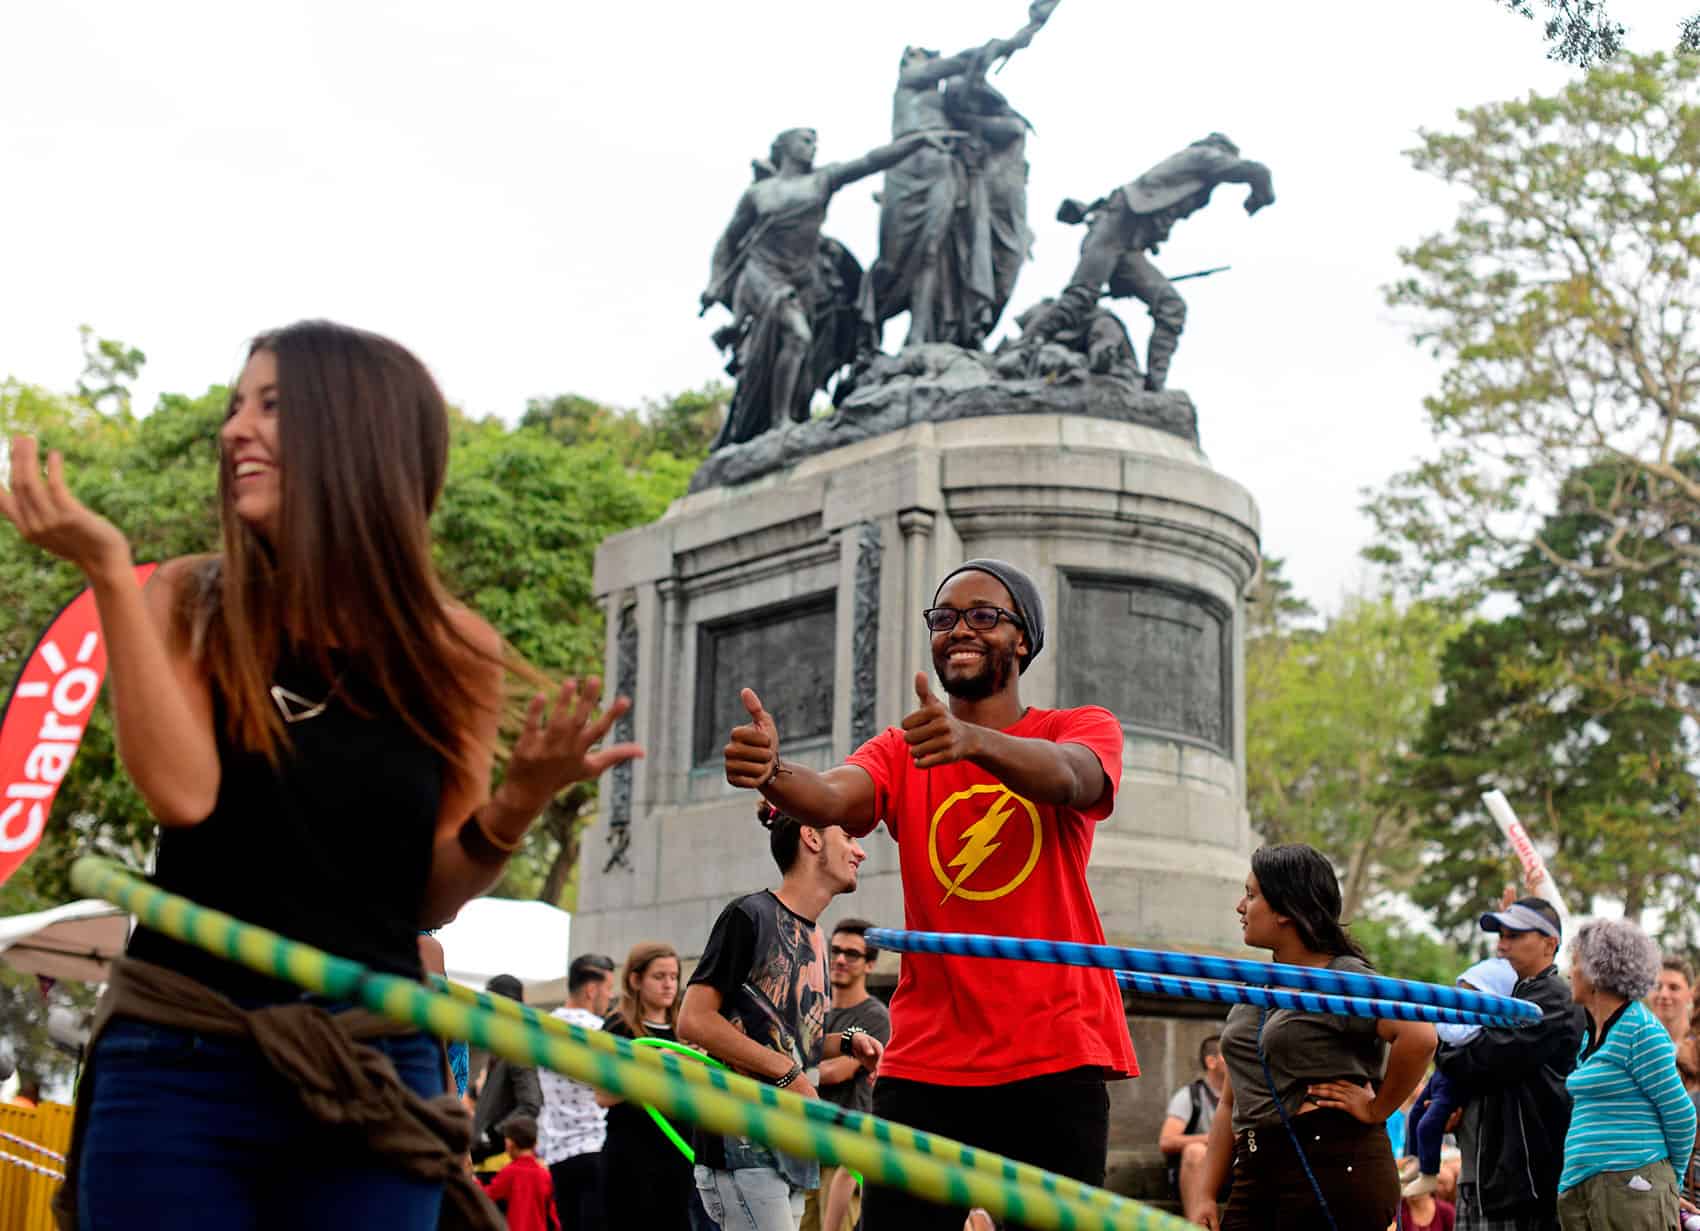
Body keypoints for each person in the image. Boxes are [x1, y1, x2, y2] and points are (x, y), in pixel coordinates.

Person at [0, 321, 641, 1231]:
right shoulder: (186, 598)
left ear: (356, 435)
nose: (234, 431)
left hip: (370, 1067)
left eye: (271, 406)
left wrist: (517, 801)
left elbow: (424, 898)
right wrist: (108, 570)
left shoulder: (455, 650)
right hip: (183, 1052)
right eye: (235, 407)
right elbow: (184, 797)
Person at [723, 557, 1138, 1231]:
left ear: (1023, 638)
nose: (957, 629)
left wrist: (972, 740)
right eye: (943, 618)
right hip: (930, 1060)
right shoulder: (903, 748)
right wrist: (773, 772)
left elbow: (1074, 780)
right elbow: (829, 795)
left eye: (982, 615)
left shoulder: (1076, 726)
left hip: (1052, 1048)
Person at [1193, 844, 1437, 1231]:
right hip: (1255, 1169)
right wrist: (1205, 1192)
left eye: (1252, 895)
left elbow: (1420, 1035)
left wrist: (1378, 1109)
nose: (1241, 906)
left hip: (1331, 1162)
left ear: (1287, 910)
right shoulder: (1257, 985)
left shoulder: (1342, 980)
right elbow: (1229, 1101)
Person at [679, 807, 881, 1231]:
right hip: (743, 1148)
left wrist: (848, 1042)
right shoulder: (748, 915)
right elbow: (694, 1020)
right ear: (810, 837)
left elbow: (794, 1039)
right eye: (848, 837)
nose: (860, 852)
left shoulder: (818, 937)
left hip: (793, 1153)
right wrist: (792, 1076)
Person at [702, 125, 961, 448]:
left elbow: (869, 161)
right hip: (761, 273)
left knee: (804, 354)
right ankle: (780, 422)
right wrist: (715, 281)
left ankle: (782, 414)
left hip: (801, 276)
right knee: (797, 335)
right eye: (805, 141)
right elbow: (728, 241)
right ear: (784, 148)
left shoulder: (822, 180)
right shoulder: (759, 193)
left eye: (815, 142)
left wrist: (917, 142)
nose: (813, 147)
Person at [1019, 133, 1274, 391]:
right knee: (1080, 298)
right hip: (1114, 229)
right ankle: (1021, 351)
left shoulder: (1197, 168)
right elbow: (1257, 172)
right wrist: (1262, 195)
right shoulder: (1204, 157)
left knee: (1171, 307)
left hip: (1129, 244)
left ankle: (1154, 387)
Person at [1436, 898, 1584, 1231]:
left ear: (1550, 943)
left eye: (1515, 935)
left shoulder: (1555, 1000)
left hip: (1522, 1186)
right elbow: (1457, 1052)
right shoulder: (1508, 996)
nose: (1502, 945)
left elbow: (1482, 1060)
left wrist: (1449, 1048)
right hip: (1485, 1177)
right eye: (1501, 935)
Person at [1556, 918, 1696, 1231]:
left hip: (1629, 1187)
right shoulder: (1592, 1034)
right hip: (1584, 1186)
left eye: (1576, 963)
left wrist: (1668, 1186)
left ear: (1596, 972)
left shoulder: (1640, 1030)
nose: (1569, 972)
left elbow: (1681, 1115)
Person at [596, 942, 696, 1231]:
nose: (669, 985)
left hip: (679, 1154)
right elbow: (603, 1095)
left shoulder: (686, 1028)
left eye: (674, 977)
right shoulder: (618, 1028)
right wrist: (658, 1063)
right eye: (659, 976)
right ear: (635, 980)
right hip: (631, 1154)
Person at [802, 918, 894, 1231]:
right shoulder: (817, 1012)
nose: (840, 959)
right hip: (807, 1146)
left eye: (852, 954)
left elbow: (834, 1073)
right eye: (836, 951)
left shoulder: (875, 1017)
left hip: (846, 1153)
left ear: (870, 965)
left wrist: (789, 1072)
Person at [1402, 959, 1518, 1200]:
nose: (1461, 1001)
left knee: (1427, 1124)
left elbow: (1455, 1036)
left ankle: (1429, 1173)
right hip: (1441, 1075)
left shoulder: (1483, 1026)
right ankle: (1415, 1160)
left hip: (1453, 1083)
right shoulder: (1459, 1018)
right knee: (1415, 1115)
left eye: (1469, 995)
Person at [539, 953, 616, 1231]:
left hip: (558, 1153)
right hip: (595, 1147)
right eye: (608, 989)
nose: (609, 998)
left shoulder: (545, 1028)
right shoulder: (598, 1030)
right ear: (591, 989)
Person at [473, 974, 544, 1167]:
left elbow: (531, 1104)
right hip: (490, 1160)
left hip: (501, 1163)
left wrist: (491, 1135)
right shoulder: (505, 1044)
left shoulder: (519, 1047)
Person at [1159, 1035, 1227, 1223]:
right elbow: (1167, 1141)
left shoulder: (1244, 1095)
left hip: (1231, 1172)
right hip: (1200, 1174)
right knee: (1195, 1151)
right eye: (1228, 1053)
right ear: (1211, 1062)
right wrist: (1214, 1138)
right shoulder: (1190, 1095)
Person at [480, 1115, 561, 1231]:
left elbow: (487, 1195)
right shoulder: (544, 1174)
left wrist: (472, 1181)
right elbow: (553, 1214)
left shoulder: (509, 1172)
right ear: (535, 1143)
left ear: (509, 1144)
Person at [1652, 957, 1700, 1096]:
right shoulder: (1636, 1045)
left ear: (1691, 994)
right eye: (1657, 987)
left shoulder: (1696, 1050)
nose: (1664, 994)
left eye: (1674, 987)